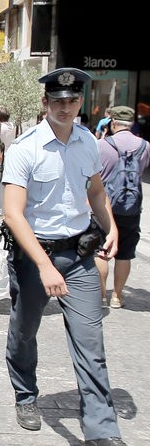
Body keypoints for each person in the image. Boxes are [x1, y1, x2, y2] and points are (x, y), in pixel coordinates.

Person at [1, 67, 143, 446]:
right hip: (34, 257)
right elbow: (13, 214)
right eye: (58, 101)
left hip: (79, 255)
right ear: (46, 103)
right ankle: (26, 395)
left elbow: (95, 189)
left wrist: (110, 224)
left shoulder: (87, 142)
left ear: (81, 102)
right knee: (25, 329)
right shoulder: (25, 148)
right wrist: (44, 265)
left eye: (73, 101)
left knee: (90, 341)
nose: (66, 107)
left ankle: (100, 433)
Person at [94, 105, 150, 308]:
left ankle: (101, 296)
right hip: (130, 207)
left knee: (102, 250)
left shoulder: (102, 145)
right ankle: (117, 296)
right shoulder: (145, 146)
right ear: (132, 123)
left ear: (113, 122)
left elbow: (94, 174)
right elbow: (142, 169)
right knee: (125, 253)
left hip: (104, 207)